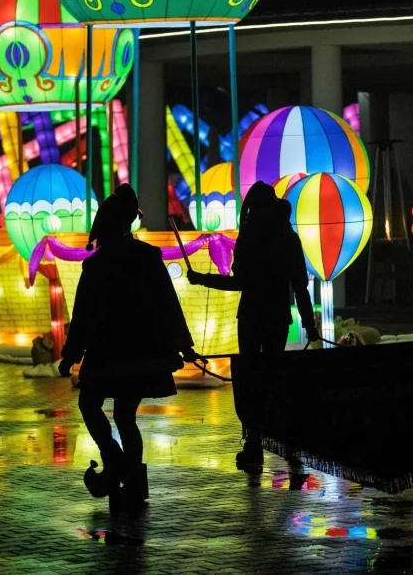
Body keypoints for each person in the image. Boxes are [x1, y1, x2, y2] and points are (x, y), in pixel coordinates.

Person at [59, 185, 197, 510]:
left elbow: (83, 316)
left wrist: (71, 355)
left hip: (105, 353)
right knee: (125, 415)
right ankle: (131, 474)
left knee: (89, 404)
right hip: (141, 354)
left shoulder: (96, 266)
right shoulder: (147, 258)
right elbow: (167, 305)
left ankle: (114, 460)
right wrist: (183, 346)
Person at [188, 181, 318, 470]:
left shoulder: (249, 238)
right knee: (274, 380)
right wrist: (309, 325)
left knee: (250, 382)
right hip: (277, 318)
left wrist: (203, 279)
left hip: (250, 318)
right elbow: (300, 286)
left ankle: (254, 444)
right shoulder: (288, 238)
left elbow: (239, 282)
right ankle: (288, 443)